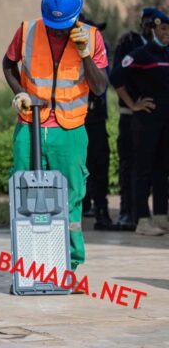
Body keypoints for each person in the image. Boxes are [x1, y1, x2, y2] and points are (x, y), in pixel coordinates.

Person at [2, 0, 108, 271]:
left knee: (71, 197)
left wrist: (85, 53)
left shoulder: (93, 38)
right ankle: (27, 265)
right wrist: (19, 92)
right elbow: (8, 64)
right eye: (53, 25)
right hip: (29, 125)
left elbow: (99, 88)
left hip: (70, 130)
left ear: (77, 16)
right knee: (23, 192)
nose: (58, 31)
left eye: (64, 26)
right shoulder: (27, 31)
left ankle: (69, 265)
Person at [110, 10, 169, 236]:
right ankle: (142, 219)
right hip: (146, 122)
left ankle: (162, 216)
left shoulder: (166, 55)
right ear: (153, 30)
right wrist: (132, 104)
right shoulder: (141, 54)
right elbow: (116, 77)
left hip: (165, 124)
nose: (166, 34)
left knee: (162, 169)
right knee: (143, 169)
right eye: (162, 29)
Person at [77, 14, 116, 230]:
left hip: (96, 116)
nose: (97, 35)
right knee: (76, 165)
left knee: (99, 163)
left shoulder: (101, 50)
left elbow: (103, 83)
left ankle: (101, 211)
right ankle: (83, 206)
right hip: (74, 116)